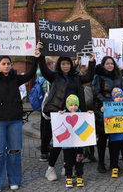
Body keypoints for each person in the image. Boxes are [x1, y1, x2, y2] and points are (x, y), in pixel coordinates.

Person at [0, 44, 38, 192]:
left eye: (8, 64)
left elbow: (31, 74)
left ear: (11, 66)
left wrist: (36, 57)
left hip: (14, 120)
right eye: (3, 64)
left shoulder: (15, 79)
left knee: (14, 151)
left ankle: (14, 179)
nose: (6, 66)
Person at [38, 43, 96, 181]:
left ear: (71, 65)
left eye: (68, 64)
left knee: (74, 142)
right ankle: (50, 168)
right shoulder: (55, 76)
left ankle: (67, 165)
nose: (66, 66)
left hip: (75, 112)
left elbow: (88, 77)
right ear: (60, 65)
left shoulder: (76, 77)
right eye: (63, 64)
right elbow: (44, 70)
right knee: (59, 142)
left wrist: (92, 62)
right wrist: (40, 55)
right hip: (59, 113)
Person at [92, 56, 123, 173]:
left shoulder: (118, 76)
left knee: (114, 138)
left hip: (117, 111)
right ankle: (101, 162)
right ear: (103, 65)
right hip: (103, 110)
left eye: (112, 63)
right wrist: (108, 104)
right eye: (107, 63)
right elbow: (96, 92)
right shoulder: (98, 76)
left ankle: (113, 163)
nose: (110, 65)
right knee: (102, 138)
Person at [58, 94, 92, 188]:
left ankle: (79, 176)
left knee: (79, 161)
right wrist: (59, 114)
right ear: (67, 105)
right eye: (71, 105)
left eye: (75, 105)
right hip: (67, 145)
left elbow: (86, 120)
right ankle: (68, 177)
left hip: (78, 144)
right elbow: (58, 122)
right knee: (68, 162)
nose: (73, 107)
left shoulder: (81, 114)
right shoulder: (64, 115)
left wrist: (88, 114)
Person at [102, 87, 123, 178]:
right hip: (115, 136)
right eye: (117, 97)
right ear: (113, 98)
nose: (119, 98)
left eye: (121, 96)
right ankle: (114, 168)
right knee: (114, 153)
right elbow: (104, 119)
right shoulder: (110, 107)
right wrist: (103, 111)